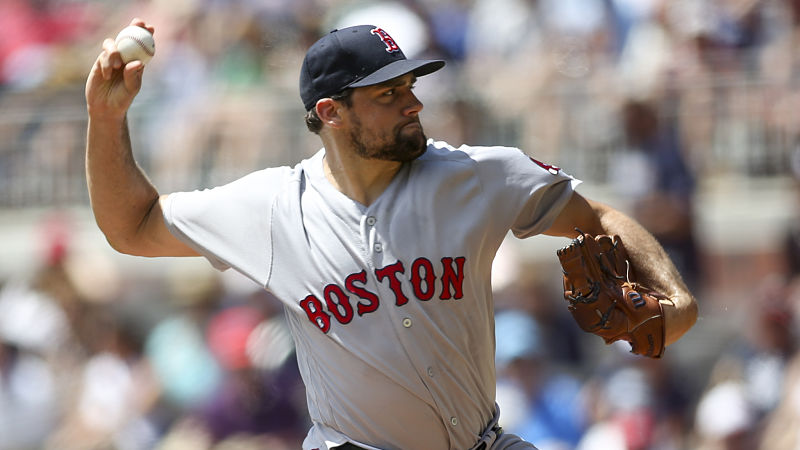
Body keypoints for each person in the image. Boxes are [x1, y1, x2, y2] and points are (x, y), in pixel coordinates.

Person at [85, 18, 698, 450]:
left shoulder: (474, 176)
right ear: (331, 113)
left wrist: (676, 296)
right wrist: (106, 119)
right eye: (389, 93)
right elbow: (132, 226)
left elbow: (600, 218)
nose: (414, 104)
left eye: (410, 87)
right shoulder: (273, 208)